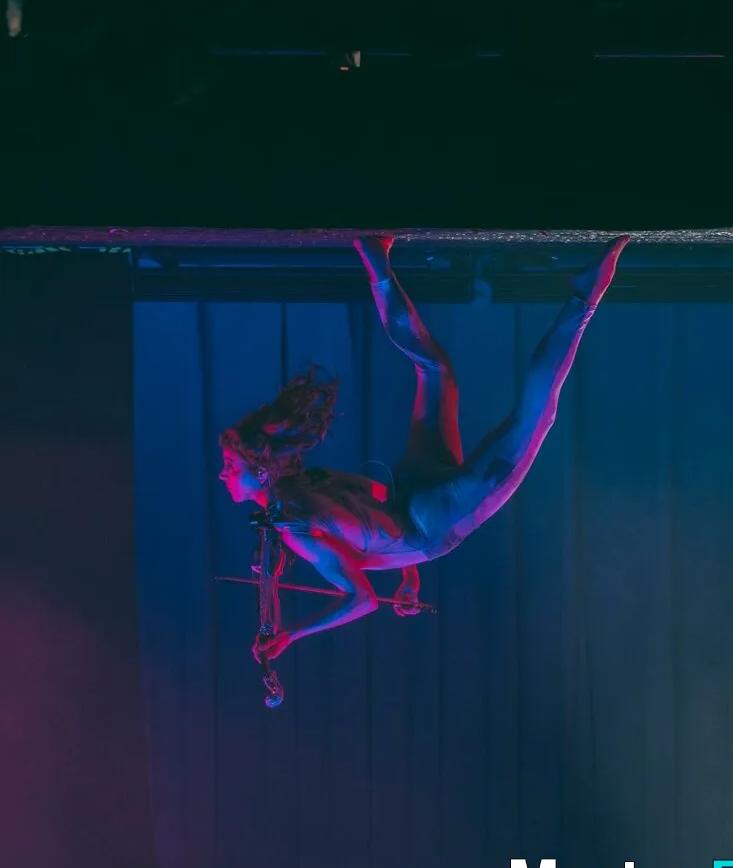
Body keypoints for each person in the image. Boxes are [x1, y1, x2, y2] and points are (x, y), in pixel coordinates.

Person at [217, 234, 630, 662]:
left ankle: (585, 297)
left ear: (262, 470)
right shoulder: (308, 485)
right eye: (228, 466)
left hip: (429, 523)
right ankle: (376, 261)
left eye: (230, 466)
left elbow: (363, 598)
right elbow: (377, 504)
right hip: (414, 492)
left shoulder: (295, 524)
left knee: (530, 421)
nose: (223, 474)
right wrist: (406, 577)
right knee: (436, 371)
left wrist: (292, 635)